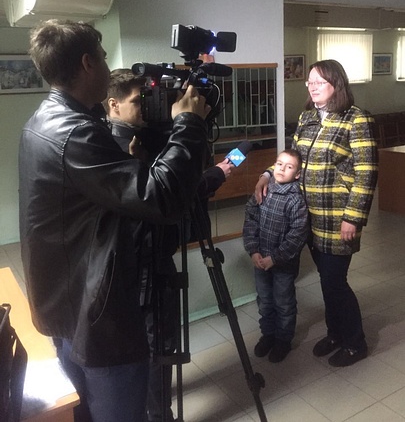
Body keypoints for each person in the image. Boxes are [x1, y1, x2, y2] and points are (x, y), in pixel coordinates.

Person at [18, 19, 211, 422]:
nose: (108, 67)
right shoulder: (76, 134)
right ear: (87, 63)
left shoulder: (44, 120)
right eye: (103, 58)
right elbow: (161, 197)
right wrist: (189, 124)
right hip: (97, 317)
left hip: (67, 305)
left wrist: (131, 166)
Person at [103, 68, 234, 422]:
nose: (147, 108)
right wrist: (208, 168)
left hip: (148, 259)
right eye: (139, 101)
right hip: (145, 266)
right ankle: (160, 414)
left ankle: (157, 403)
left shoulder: (139, 138)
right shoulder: (116, 148)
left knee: (154, 347)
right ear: (113, 105)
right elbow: (165, 195)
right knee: (157, 346)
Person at [255, 59, 378, 367]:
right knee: (326, 281)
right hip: (307, 216)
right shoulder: (308, 117)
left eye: (319, 82)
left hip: (338, 218)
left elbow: (367, 173)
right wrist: (268, 174)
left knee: (335, 282)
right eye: (309, 81)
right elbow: (292, 158)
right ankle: (335, 333)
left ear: (337, 84)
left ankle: (356, 343)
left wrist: (353, 217)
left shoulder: (356, 119)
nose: (312, 86)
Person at [243, 149, 309, 363]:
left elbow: (297, 235)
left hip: (283, 264)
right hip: (260, 260)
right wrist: (253, 250)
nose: (282, 169)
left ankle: (283, 340)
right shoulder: (263, 190)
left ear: (297, 174)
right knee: (264, 300)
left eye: (289, 167)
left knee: (284, 303)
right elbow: (250, 219)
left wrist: (275, 258)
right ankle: (268, 335)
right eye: (279, 164)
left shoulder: (296, 200)